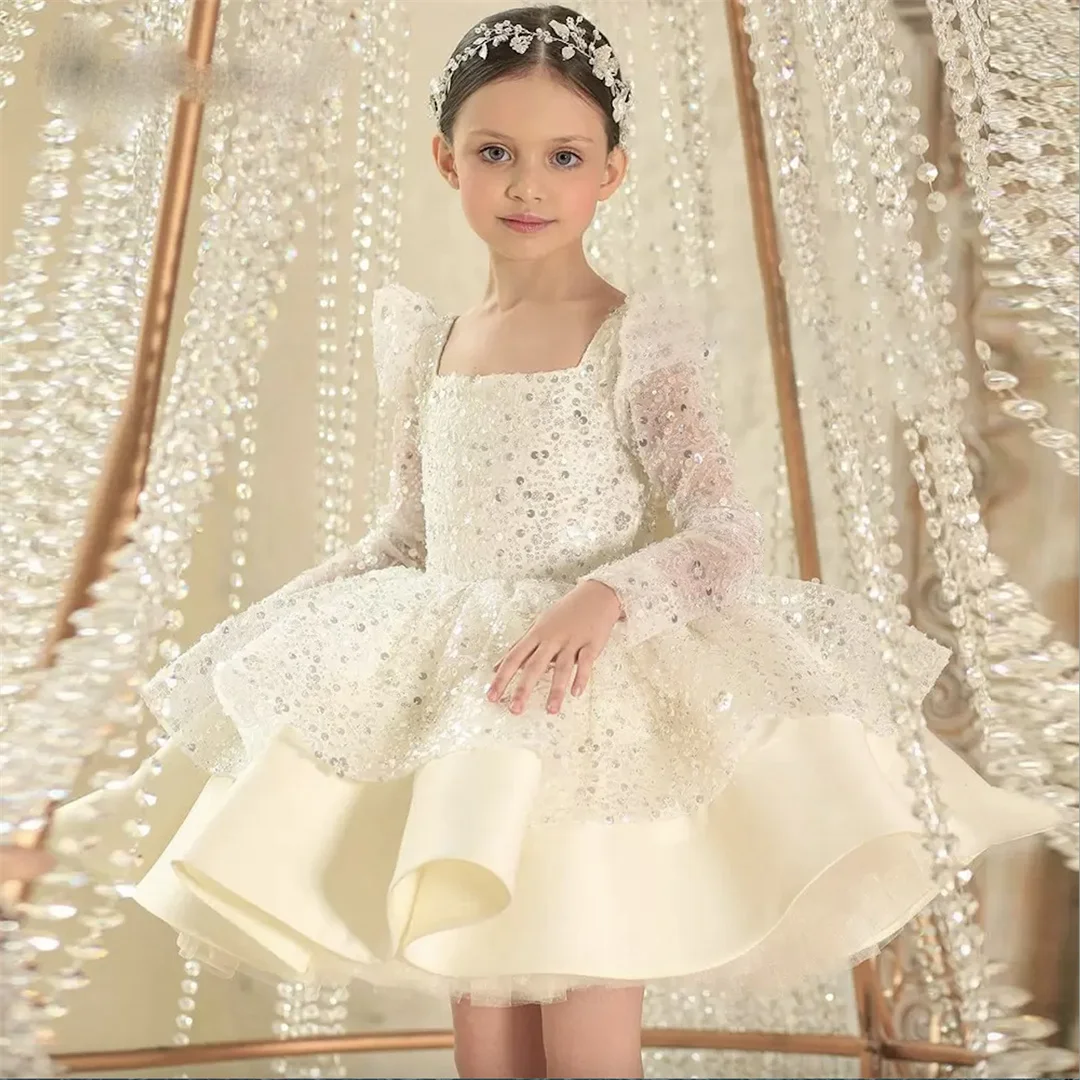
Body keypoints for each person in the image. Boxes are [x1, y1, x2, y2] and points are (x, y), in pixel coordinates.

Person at [53, 6, 1058, 1078]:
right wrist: (264, 641)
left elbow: (723, 532)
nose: (528, 186)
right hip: (469, 720)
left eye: (562, 157)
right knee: (487, 1040)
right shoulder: (430, 343)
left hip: (589, 717)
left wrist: (604, 599)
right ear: (448, 161)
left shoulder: (635, 336)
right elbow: (408, 536)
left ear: (610, 172)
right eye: (496, 154)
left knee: (584, 1030)